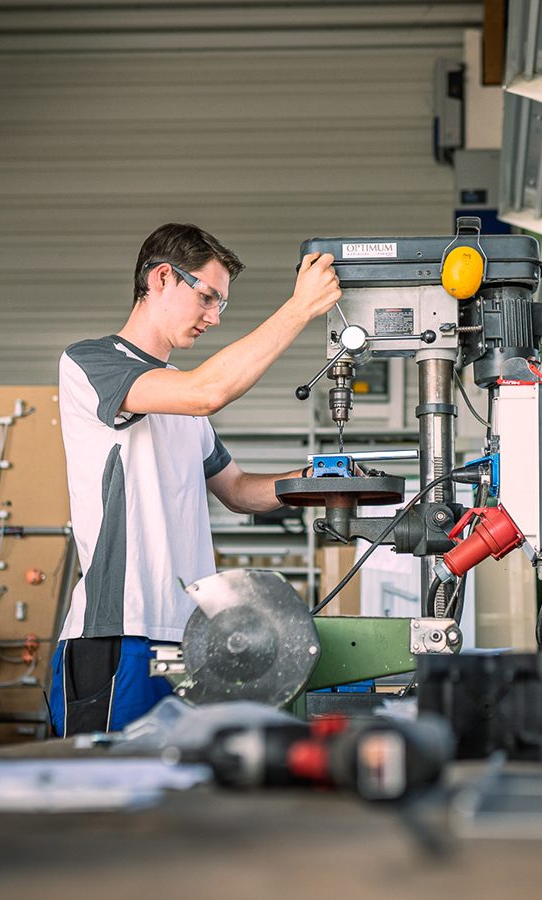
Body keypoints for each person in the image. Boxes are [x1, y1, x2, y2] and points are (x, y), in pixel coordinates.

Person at [49, 223, 341, 736]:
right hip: (119, 636)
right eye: (207, 297)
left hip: (188, 639)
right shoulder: (92, 363)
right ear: (161, 277)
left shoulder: (184, 408)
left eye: (221, 305)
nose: (213, 317)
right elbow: (205, 391)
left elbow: (238, 490)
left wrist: (317, 483)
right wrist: (299, 308)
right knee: (106, 800)